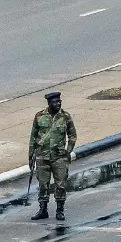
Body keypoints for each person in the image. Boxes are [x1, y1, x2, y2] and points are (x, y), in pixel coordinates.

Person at [28, 91, 77, 221]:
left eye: (59, 101)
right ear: (49, 103)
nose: (58, 104)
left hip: (59, 157)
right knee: (43, 185)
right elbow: (33, 136)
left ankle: (60, 210)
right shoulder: (39, 116)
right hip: (42, 157)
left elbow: (72, 135)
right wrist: (31, 155)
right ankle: (43, 209)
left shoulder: (65, 117)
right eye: (55, 102)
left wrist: (68, 151)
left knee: (60, 185)